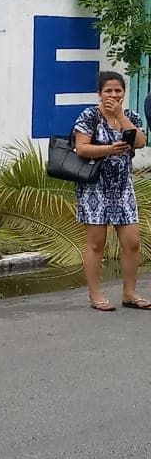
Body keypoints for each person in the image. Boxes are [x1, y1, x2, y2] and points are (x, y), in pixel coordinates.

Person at [73, 71, 148, 311]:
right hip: (95, 188)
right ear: (100, 93)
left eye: (118, 91)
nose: (113, 95)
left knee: (132, 242)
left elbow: (140, 142)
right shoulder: (89, 116)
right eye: (108, 91)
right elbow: (81, 149)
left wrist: (119, 116)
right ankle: (96, 295)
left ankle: (129, 293)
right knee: (96, 243)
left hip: (123, 188)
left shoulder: (131, 116)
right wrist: (108, 149)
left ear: (124, 93)